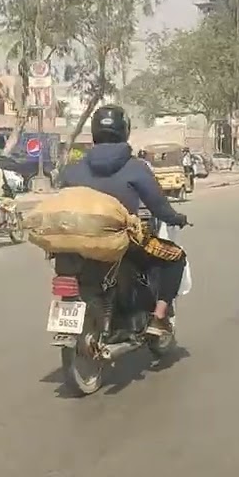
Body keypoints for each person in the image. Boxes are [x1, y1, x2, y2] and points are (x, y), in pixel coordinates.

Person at [61, 105, 189, 336]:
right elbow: (159, 207)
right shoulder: (135, 167)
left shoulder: (72, 170)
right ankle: (158, 319)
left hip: (78, 242)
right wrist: (177, 218)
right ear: (125, 131)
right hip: (122, 242)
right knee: (176, 257)